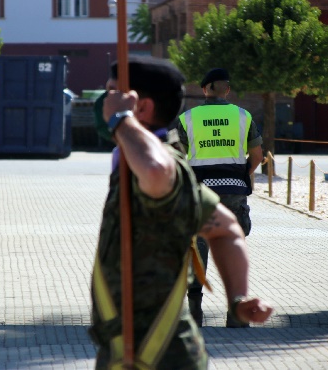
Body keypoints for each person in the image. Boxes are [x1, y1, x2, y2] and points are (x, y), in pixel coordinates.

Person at [89, 56, 272, 369]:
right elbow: (226, 230)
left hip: (158, 356)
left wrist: (120, 120)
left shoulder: (161, 166)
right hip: (127, 351)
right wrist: (238, 298)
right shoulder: (142, 161)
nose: (104, 102)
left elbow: (158, 172)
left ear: (140, 108)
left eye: (112, 94)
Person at [176, 68, 263, 328]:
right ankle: (237, 316)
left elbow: (177, 157)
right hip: (234, 193)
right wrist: (241, 177)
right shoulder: (243, 116)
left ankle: (194, 315)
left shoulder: (187, 118)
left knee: (196, 253)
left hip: (200, 193)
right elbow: (257, 155)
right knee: (233, 249)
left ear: (205, 89)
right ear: (226, 89)